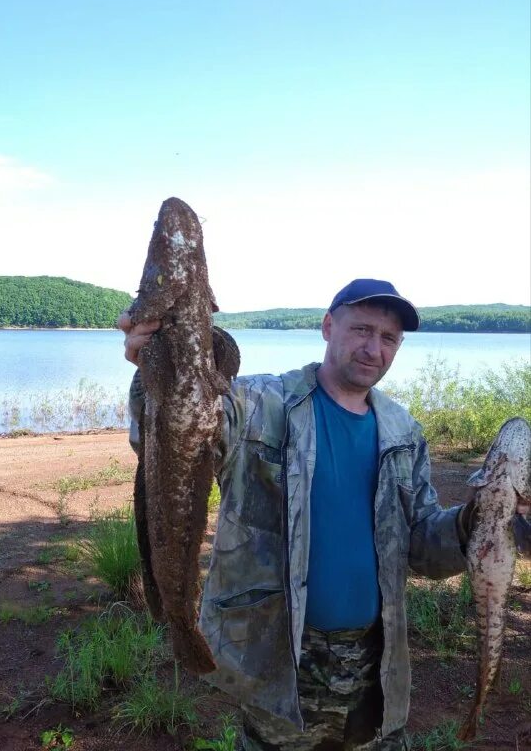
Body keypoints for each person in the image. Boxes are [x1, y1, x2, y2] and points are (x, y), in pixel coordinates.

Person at [118, 278, 529, 751]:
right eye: (361, 329)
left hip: (375, 664)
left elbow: (421, 547)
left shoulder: (402, 431)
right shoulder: (259, 405)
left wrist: (478, 518)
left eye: (389, 338)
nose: (373, 348)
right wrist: (156, 366)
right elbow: (177, 438)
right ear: (328, 326)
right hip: (280, 662)